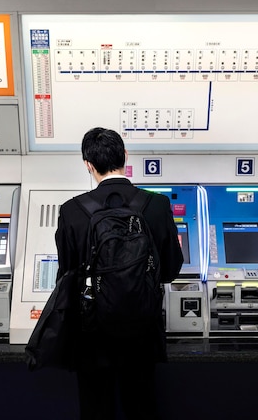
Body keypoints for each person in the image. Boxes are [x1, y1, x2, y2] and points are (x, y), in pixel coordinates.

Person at [54, 127, 184, 420]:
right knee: (141, 408)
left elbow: (67, 277)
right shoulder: (157, 205)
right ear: (125, 157)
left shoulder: (72, 211)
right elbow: (172, 268)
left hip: (92, 335)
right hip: (142, 331)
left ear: (88, 165)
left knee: (95, 410)